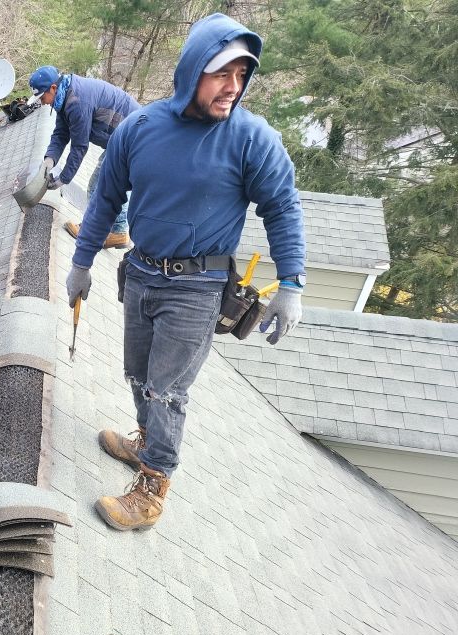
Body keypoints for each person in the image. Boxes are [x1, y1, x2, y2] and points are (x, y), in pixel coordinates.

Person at [64, 14, 306, 531]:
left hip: (197, 287)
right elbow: (105, 199)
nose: (233, 87)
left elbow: (283, 207)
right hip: (141, 272)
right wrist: (80, 263)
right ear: (194, 70)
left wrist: (291, 283)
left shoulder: (251, 139)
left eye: (242, 75)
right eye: (222, 74)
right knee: (137, 374)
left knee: (167, 389)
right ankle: (147, 442)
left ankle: (153, 488)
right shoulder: (140, 129)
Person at [29, 65, 139, 249]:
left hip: (133, 136)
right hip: (124, 136)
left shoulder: (76, 102)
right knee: (114, 182)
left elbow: (79, 146)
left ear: (53, 88)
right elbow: (61, 134)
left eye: (42, 97)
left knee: (98, 185)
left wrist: (63, 178)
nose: (42, 103)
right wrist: (49, 160)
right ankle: (118, 231)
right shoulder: (64, 96)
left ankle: (94, 231)